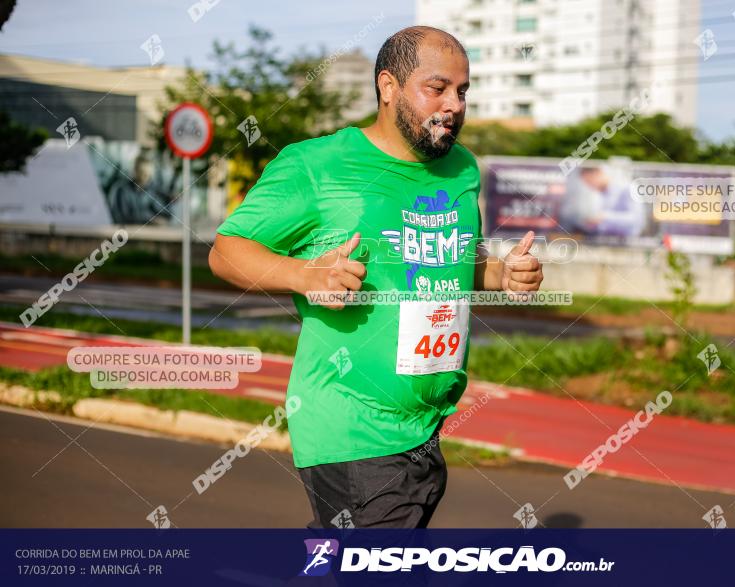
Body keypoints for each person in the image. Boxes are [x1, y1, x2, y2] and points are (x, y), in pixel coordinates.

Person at [208, 26, 543, 529]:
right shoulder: (317, 166)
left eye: (463, 90)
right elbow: (225, 252)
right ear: (388, 87)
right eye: (437, 88)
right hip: (351, 428)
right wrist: (304, 274)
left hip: (425, 428)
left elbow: (455, 263)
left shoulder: (462, 170)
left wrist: (503, 274)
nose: (453, 104)